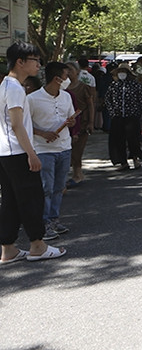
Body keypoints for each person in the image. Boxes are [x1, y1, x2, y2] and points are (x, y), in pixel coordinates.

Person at [0, 41, 66, 263]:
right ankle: (37, 245)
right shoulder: (15, 88)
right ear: (20, 62)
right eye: (35, 60)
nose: (39, 65)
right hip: (18, 152)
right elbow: (17, 125)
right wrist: (31, 153)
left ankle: (8, 248)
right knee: (32, 198)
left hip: (5, 153)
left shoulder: (4, 86)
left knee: (10, 201)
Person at [29, 62, 77, 241]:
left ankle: (54, 218)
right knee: (46, 187)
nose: (68, 79)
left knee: (59, 187)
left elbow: (70, 117)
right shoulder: (32, 99)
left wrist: (71, 123)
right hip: (43, 149)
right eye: (66, 76)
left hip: (64, 147)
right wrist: (42, 133)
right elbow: (23, 125)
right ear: (57, 78)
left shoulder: (66, 97)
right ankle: (44, 222)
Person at [105, 64, 142, 169]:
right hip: (118, 117)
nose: (122, 74)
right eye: (120, 71)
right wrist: (112, 112)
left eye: (124, 71)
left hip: (132, 116)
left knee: (133, 139)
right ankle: (123, 162)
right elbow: (107, 99)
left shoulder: (134, 85)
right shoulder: (113, 85)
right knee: (118, 140)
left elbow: (141, 99)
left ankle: (135, 159)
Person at [65, 62, 94, 188]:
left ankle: (78, 174)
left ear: (77, 72)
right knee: (69, 150)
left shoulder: (83, 87)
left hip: (81, 122)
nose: (68, 73)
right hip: (68, 123)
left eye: (70, 70)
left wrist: (91, 122)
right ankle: (75, 173)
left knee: (78, 150)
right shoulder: (63, 88)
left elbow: (90, 105)